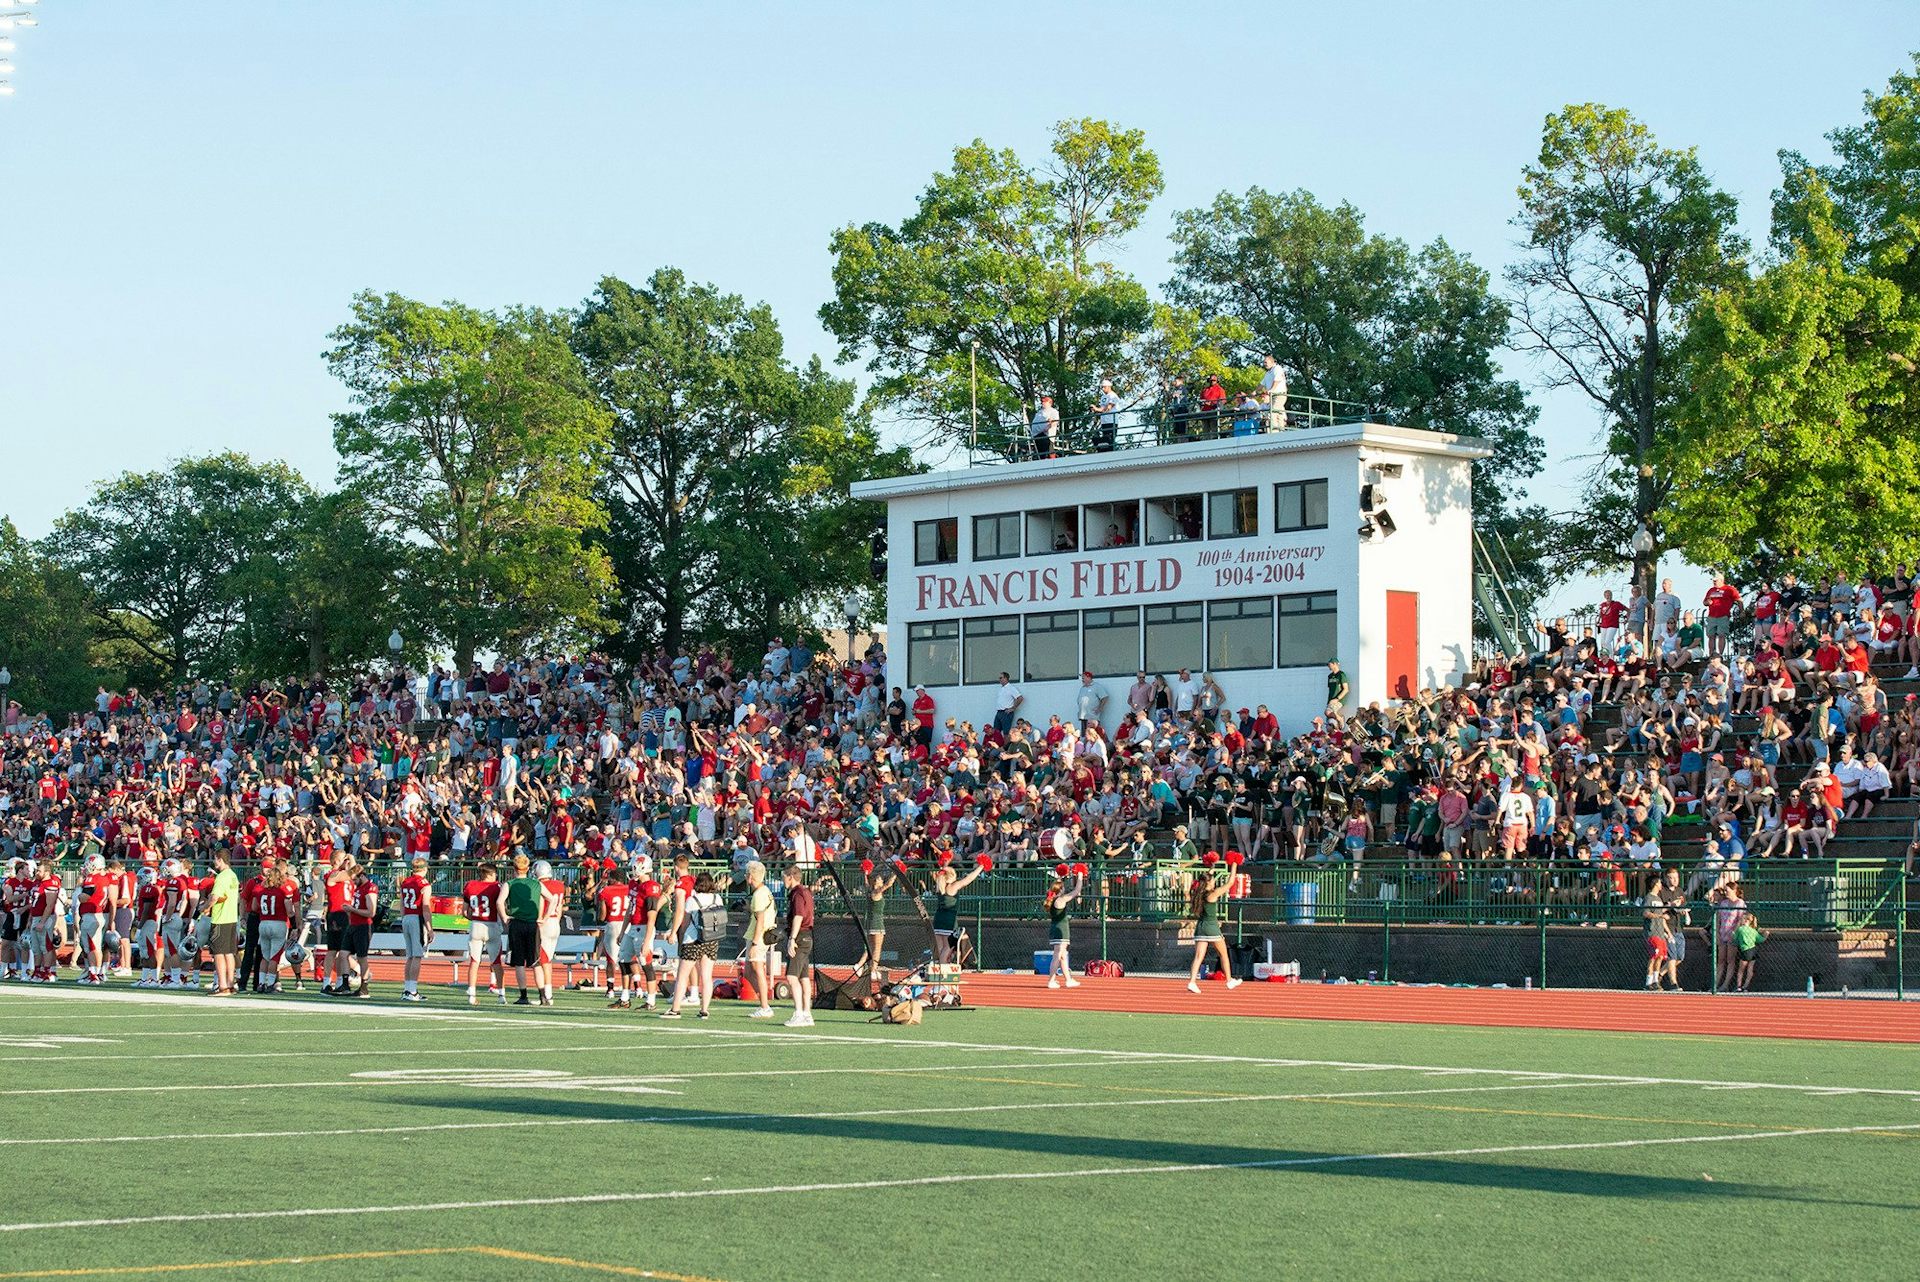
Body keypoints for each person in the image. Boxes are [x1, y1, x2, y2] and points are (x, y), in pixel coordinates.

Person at [664, 871, 724, 1019]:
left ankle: (675, 1009)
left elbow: (685, 921)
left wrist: (676, 933)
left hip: (693, 939)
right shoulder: (718, 898)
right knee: (706, 976)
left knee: (683, 975)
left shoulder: (692, 899)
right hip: (711, 939)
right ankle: (704, 1010)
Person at [1185, 864, 1243, 994]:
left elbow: (1204, 878)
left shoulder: (1197, 894)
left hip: (1200, 928)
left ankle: (1192, 982)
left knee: (1198, 957)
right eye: (1213, 880)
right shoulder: (1213, 894)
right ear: (1209, 883)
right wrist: (1234, 864)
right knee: (1223, 955)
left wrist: (1212, 867)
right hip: (1212, 928)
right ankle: (1229, 980)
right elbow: (1230, 883)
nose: (1215, 881)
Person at [502, 854, 544, 1006]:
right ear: (528, 868)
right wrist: (542, 917)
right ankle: (543, 996)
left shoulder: (510, 883)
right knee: (536, 962)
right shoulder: (536, 884)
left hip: (517, 923)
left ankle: (523, 995)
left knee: (519, 962)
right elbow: (551, 899)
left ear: (514, 868)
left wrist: (505, 917)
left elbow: (500, 902)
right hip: (533, 924)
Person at [462, 864, 506, 1006]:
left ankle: (471, 994)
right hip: (492, 925)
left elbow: (464, 912)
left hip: (476, 925)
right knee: (497, 963)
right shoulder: (497, 887)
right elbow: (501, 907)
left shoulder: (470, 885)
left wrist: (475, 919)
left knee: (474, 962)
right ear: (491, 874)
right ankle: (501, 995)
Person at [929, 856, 985, 965]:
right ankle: (943, 971)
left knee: (940, 948)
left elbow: (942, 873)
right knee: (948, 947)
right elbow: (967, 880)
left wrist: (946, 864)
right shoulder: (952, 886)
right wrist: (980, 867)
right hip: (949, 921)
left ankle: (939, 971)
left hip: (938, 920)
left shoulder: (940, 886)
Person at [251, 862, 297, 993]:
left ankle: (260, 983)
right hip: (278, 923)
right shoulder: (282, 890)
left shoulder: (260, 890)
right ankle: (271, 984)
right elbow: (290, 911)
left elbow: (254, 908)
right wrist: (294, 926)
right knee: (274, 957)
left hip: (263, 923)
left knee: (265, 956)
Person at [781, 863, 815, 1027]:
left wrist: (792, 938)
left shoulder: (798, 893)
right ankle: (807, 1013)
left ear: (790, 877)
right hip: (807, 936)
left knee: (791, 976)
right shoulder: (806, 892)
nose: (783, 881)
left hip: (801, 936)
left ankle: (799, 1013)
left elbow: (798, 916)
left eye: (784, 877)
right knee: (804, 977)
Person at [743, 859, 777, 1019]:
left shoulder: (759, 894)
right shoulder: (764, 892)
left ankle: (765, 1006)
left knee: (757, 969)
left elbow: (761, 920)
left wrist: (756, 942)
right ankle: (763, 1002)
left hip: (759, 937)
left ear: (751, 876)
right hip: (759, 934)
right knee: (748, 972)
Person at [397, 855, 435, 1002]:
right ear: (424, 869)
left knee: (410, 955)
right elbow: (426, 908)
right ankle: (412, 990)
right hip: (416, 918)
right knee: (417, 955)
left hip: (406, 917)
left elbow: (401, 904)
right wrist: (430, 928)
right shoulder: (424, 884)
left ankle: (407, 989)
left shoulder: (405, 881)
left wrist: (404, 918)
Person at [857, 857, 897, 992]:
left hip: (870, 923)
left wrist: (865, 872)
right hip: (877, 923)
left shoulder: (869, 890)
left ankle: (859, 965)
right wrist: (896, 872)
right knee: (877, 949)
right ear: (876, 882)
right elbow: (889, 884)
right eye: (879, 880)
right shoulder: (877, 892)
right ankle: (873, 970)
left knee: (869, 948)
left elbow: (866, 880)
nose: (881, 881)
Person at [205, 849, 241, 996]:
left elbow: (215, 896)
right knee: (229, 953)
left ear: (220, 859)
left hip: (220, 919)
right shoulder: (233, 875)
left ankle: (222, 986)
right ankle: (231, 984)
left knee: (218, 953)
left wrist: (206, 908)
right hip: (232, 917)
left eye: (215, 859)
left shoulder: (222, 877)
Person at [597, 862, 631, 1007]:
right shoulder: (630, 889)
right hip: (628, 924)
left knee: (611, 959)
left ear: (613, 878)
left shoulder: (606, 891)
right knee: (629, 958)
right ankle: (637, 987)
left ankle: (610, 989)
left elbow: (602, 916)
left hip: (613, 924)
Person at [1043, 867, 1083, 989]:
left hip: (1057, 929)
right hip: (1061, 930)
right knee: (1057, 955)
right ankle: (1051, 980)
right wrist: (1080, 877)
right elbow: (1076, 891)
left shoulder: (1052, 899)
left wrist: (1062, 875)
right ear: (1060, 890)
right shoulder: (1061, 899)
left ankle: (1068, 979)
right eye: (1063, 887)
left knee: (1063, 955)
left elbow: (1057, 885)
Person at [343, 861, 379, 999]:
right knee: (343, 954)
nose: (353, 882)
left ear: (361, 876)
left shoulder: (370, 888)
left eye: (355, 879)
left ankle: (364, 987)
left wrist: (352, 910)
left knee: (362, 957)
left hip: (363, 926)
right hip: (353, 924)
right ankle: (344, 984)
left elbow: (371, 912)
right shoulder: (358, 888)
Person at [533, 859, 565, 1006]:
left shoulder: (540, 885)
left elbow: (540, 903)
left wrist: (542, 919)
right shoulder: (559, 885)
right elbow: (561, 905)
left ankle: (548, 995)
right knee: (547, 960)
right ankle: (547, 994)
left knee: (543, 960)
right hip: (555, 923)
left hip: (545, 923)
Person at [1733, 911, 1766, 992]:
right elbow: (1760, 940)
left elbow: (1735, 938)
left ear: (1746, 920)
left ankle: (1739, 986)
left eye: (1742, 919)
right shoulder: (1753, 930)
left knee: (1741, 970)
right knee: (1750, 969)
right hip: (1753, 950)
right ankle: (1745, 986)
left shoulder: (1740, 929)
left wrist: (1733, 933)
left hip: (1745, 950)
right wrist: (1766, 935)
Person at [1090, 379, 1120, 451]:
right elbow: (1102, 408)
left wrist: (1097, 409)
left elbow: (1108, 408)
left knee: (1109, 439)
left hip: (1111, 421)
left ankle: (1110, 451)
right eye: (1102, 387)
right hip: (1104, 421)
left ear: (1109, 387)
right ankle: (1103, 451)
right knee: (1104, 440)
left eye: (1104, 387)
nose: (1103, 389)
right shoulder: (1103, 397)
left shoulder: (1113, 396)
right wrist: (1095, 410)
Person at [1260, 355, 1288, 431]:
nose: (1264, 364)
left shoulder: (1277, 368)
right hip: (1272, 396)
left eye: (1266, 362)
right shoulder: (1268, 373)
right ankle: (1280, 431)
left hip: (1279, 395)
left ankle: (1274, 432)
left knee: (1273, 413)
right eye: (1264, 362)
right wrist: (1254, 392)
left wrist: (1272, 389)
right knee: (1278, 413)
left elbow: (1277, 380)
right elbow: (1261, 384)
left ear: (1272, 362)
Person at [992, 672, 1024, 737]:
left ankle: (1006, 747)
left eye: (1001, 678)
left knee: (1006, 732)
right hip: (999, 712)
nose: (999, 679)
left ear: (1006, 678)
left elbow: (1020, 698)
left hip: (1006, 712)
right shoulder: (1002, 688)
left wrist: (1013, 708)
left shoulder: (1011, 688)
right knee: (996, 731)